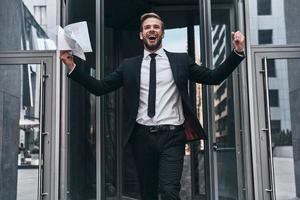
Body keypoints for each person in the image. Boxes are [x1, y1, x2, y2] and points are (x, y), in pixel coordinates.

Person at [60, 12, 245, 200]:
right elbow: (100, 88)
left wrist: (236, 53)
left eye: (156, 27)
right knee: (148, 193)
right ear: (141, 34)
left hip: (173, 136)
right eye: (147, 27)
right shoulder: (129, 66)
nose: (152, 30)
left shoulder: (181, 61)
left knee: (169, 190)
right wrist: (72, 66)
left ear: (162, 33)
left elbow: (213, 77)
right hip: (142, 137)